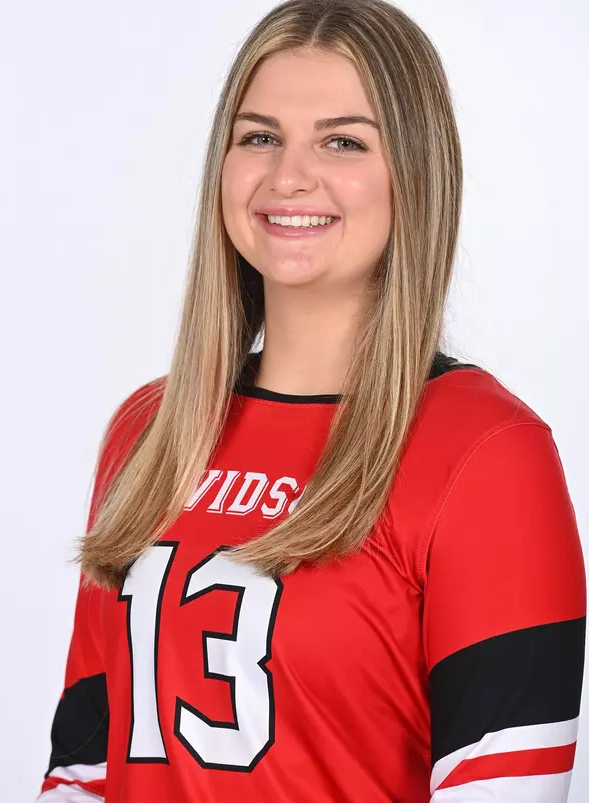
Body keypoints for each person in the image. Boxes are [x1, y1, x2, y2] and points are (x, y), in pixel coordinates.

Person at [36, 1, 586, 801]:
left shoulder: (486, 450)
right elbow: (82, 771)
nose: (287, 177)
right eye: (259, 137)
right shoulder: (150, 430)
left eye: (342, 141)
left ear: (414, 174)